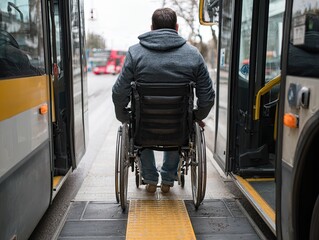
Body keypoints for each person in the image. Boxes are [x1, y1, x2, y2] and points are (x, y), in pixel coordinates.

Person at [112, 8, 215, 193]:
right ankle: (168, 178)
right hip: (179, 128)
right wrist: (195, 116)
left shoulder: (135, 53)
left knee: (138, 124)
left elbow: (119, 92)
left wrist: (123, 117)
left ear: (152, 28)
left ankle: (150, 177)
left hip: (144, 127)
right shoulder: (193, 55)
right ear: (176, 27)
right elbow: (207, 97)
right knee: (179, 123)